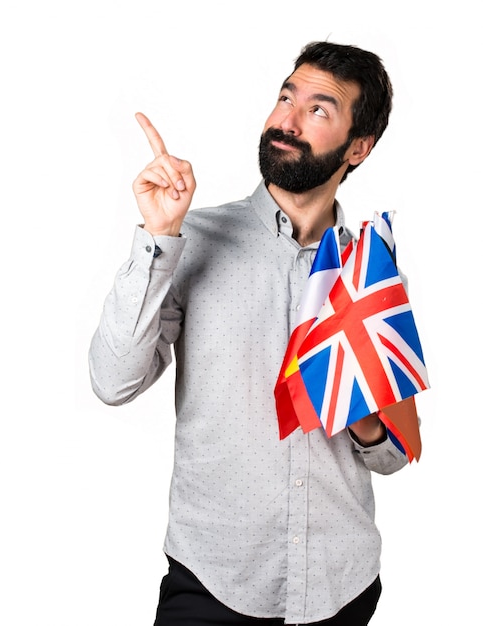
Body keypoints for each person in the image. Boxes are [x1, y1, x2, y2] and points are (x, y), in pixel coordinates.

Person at [89, 41, 411, 625]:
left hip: (341, 587)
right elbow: (113, 383)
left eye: (318, 109)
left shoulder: (370, 267)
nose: (285, 120)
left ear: (358, 147)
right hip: (213, 585)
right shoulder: (193, 240)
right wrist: (159, 238)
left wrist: (362, 417)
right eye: (285, 97)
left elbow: (392, 455)